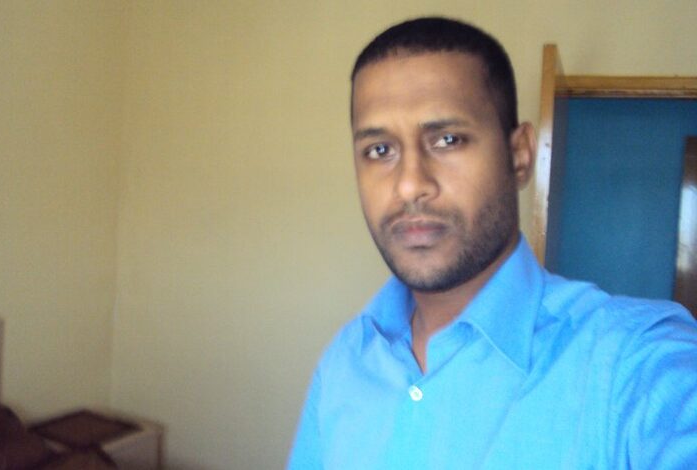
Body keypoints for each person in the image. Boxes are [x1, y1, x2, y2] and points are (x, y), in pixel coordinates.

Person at [288, 17, 697, 469]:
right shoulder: (346, 360)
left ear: (519, 155)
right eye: (380, 150)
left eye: (447, 140)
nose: (409, 185)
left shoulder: (633, 365)